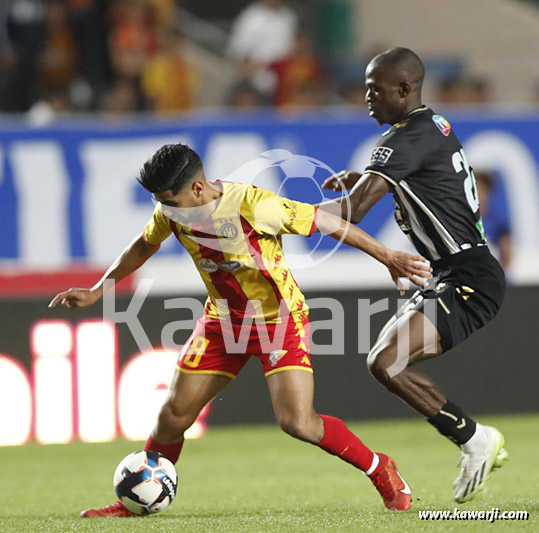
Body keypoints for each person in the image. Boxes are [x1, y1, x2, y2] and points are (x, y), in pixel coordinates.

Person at [50, 143, 432, 517]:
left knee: (298, 422)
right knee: (173, 416)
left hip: (278, 321)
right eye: (162, 204)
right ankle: (137, 502)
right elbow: (144, 244)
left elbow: (327, 221)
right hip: (221, 322)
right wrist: (100, 288)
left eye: (172, 202)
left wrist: (389, 256)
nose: (167, 211)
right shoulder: (171, 209)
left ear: (198, 188)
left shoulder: (253, 205)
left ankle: (379, 467)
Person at [322, 47, 508, 503]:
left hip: (468, 277)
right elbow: (428, 178)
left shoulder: (402, 140)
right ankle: (474, 438)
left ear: (404, 90)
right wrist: (369, 177)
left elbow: (353, 213)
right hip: (457, 271)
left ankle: (475, 439)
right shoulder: (432, 125)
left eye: (375, 89)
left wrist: (275, 215)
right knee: (384, 361)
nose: (366, 98)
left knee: (387, 362)